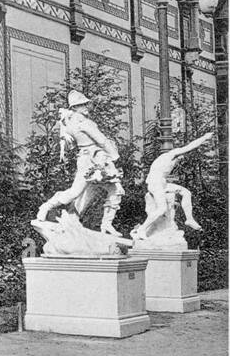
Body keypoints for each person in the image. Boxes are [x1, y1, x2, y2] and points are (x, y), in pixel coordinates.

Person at [34, 89, 124, 236]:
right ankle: (46, 206)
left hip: (93, 158)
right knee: (76, 192)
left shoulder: (69, 122)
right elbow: (101, 140)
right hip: (93, 159)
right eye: (82, 105)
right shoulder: (84, 123)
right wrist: (114, 155)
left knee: (115, 189)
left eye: (86, 104)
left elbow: (68, 141)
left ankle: (106, 225)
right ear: (75, 108)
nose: (86, 107)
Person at [131, 132, 213, 243]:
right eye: (181, 158)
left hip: (161, 183)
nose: (181, 160)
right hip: (156, 184)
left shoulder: (167, 160)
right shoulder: (170, 155)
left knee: (186, 192)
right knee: (161, 209)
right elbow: (189, 147)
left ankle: (189, 219)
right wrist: (204, 137)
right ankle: (142, 229)